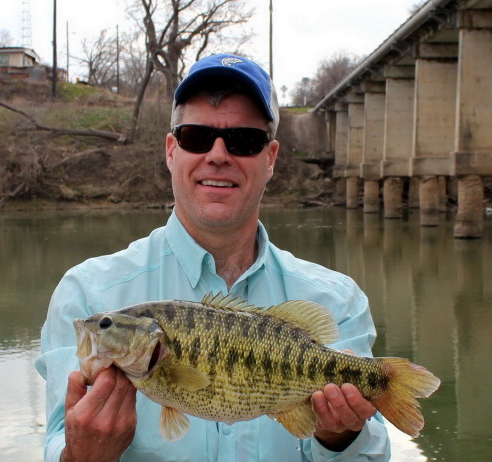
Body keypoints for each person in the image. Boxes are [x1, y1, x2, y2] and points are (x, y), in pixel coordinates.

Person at [36, 53, 391, 462]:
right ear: (171, 150)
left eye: (243, 141)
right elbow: (56, 443)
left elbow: (374, 456)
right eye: (196, 137)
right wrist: (82, 455)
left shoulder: (337, 300)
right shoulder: (86, 292)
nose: (218, 155)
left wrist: (340, 438)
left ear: (270, 158)